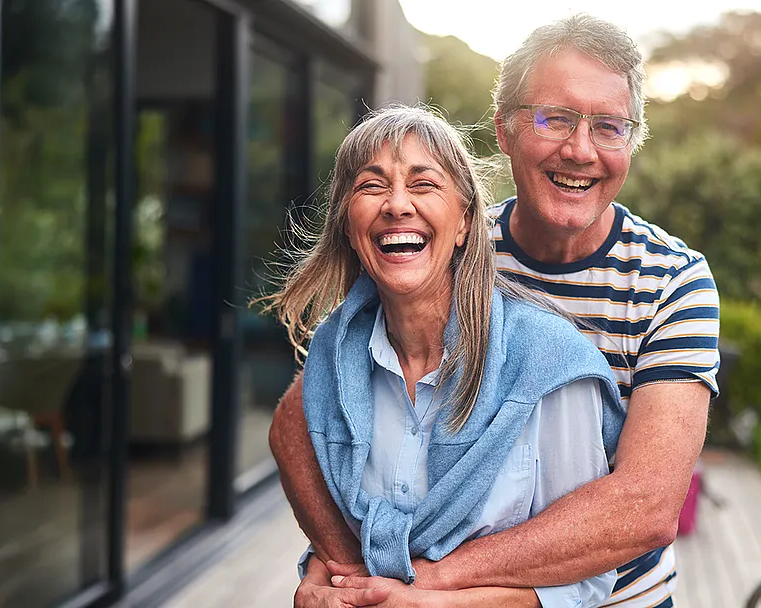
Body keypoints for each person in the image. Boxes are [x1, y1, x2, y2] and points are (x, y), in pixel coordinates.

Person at [272, 14, 721, 608]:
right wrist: (340, 563)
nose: (580, 150)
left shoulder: (673, 281)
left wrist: (425, 581)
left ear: (630, 143)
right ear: (504, 131)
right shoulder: (439, 242)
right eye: (555, 118)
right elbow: (307, 416)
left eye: (609, 127)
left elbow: (645, 507)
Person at [263, 105, 627, 607]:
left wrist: (434, 604)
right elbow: (355, 529)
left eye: (424, 184)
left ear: (464, 223)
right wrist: (319, 584)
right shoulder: (336, 357)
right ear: (348, 226)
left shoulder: (547, 364)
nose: (396, 205)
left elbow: (585, 581)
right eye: (371, 186)